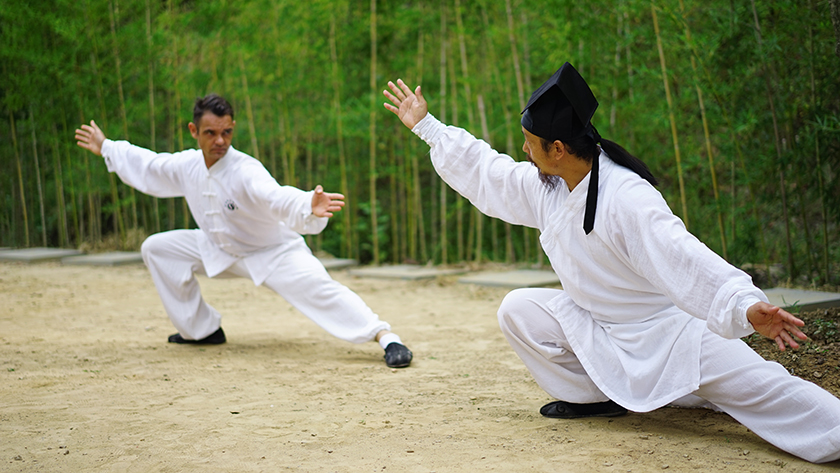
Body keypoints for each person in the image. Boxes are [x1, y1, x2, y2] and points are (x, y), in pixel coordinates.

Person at [383, 63, 840, 462]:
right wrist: (428, 127)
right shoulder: (549, 186)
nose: (524, 150)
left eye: (530, 142)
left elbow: (684, 257)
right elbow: (490, 172)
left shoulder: (627, 198)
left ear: (557, 148)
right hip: (603, 327)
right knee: (518, 310)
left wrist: (743, 306)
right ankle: (599, 398)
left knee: (769, 391)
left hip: (671, 333)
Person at [75, 93, 412, 368]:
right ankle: (201, 330)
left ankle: (386, 338)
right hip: (217, 248)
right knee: (157, 248)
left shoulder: (246, 170)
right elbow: (149, 165)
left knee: (323, 290)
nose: (220, 140)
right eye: (210, 133)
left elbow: (275, 196)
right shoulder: (187, 165)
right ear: (194, 130)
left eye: (227, 132)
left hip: (273, 253)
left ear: (233, 128)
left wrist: (307, 204)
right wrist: (107, 147)